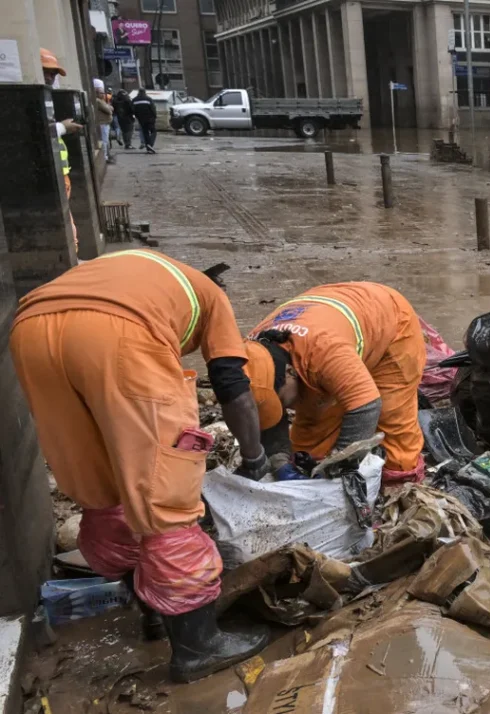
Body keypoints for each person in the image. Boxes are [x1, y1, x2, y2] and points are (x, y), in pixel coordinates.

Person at [9, 250, 271, 683]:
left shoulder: (137, 269)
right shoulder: (211, 298)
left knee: (102, 489)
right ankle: (198, 647)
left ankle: (152, 614)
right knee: (163, 499)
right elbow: (232, 385)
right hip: (119, 333)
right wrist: (255, 457)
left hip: (30, 329)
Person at [243, 282, 427, 483]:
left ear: (289, 372)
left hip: (390, 325)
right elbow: (268, 415)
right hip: (327, 323)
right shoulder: (247, 356)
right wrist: (280, 462)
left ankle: (401, 482)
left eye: (282, 400)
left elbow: (366, 406)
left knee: (393, 423)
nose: (283, 408)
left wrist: (342, 462)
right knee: (309, 444)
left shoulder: (323, 350)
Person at [41, 48, 82, 252]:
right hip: (50, 178)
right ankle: (72, 258)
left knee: (67, 218)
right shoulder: (40, 102)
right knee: (65, 219)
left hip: (61, 175)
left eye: (53, 73)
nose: (51, 77)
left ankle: (73, 255)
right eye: (46, 71)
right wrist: (63, 128)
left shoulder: (48, 101)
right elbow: (37, 132)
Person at [93, 79, 114, 163]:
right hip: (102, 124)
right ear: (97, 93)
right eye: (101, 93)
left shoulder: (102, 101)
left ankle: (107, 155)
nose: (103, 94)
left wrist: (109, 107)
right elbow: (109, 110)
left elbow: (110, 108)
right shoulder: (98, 101)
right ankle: (105, 157)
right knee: (104, 141)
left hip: (105, 123)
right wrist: (109, 108)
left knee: (106, 141)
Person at [132, 88, 157, 154]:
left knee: (145, 132)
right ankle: (150, 144)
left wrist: (137, 116)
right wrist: (155, 116)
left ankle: (148, 148)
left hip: (141, 119)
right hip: (150, 118)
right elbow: (153, 108)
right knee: (153, 131)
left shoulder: (134, 100)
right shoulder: (148, 99)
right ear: (145, 92)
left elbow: (133, 110)